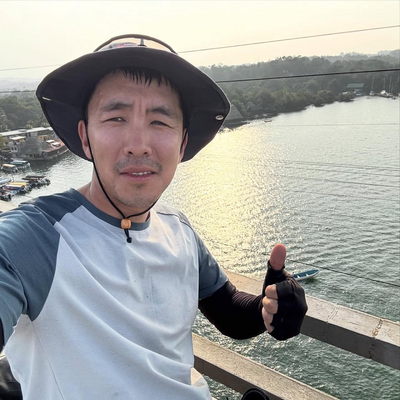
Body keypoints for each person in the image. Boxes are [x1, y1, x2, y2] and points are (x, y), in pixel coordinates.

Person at [0, 35, 307, 400]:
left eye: (160, 122)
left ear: (182, 143)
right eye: (116, 117)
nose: (138, 144)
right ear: (85, 137)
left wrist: (270, 306)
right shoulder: (33, 239)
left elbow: (228, 313)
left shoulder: (178, 229)